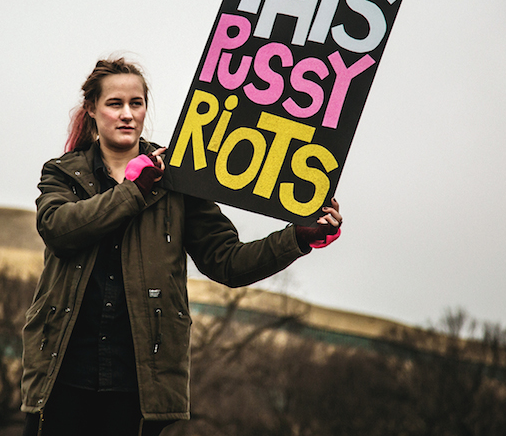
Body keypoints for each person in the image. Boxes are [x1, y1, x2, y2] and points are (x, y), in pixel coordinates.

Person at [21, 57, 342, 436]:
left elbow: (227, 261)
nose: (127, 114)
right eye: (115, 104)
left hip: (140, 384)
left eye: (136, 103)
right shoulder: (62, 172)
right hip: (62, 375)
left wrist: (297, 237)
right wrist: (133, 191)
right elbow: (59, 230)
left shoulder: (181, 174)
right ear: (92, 109)